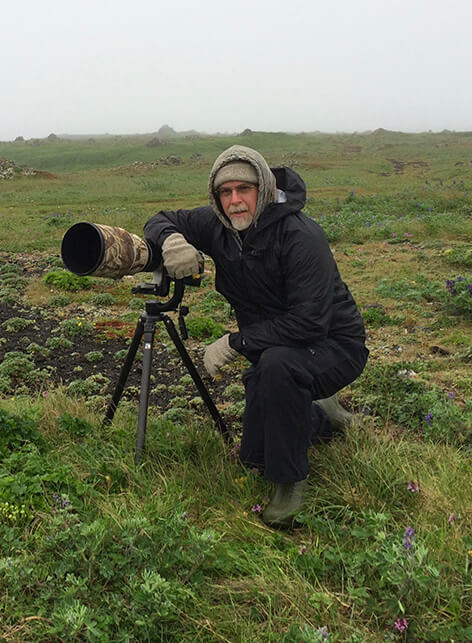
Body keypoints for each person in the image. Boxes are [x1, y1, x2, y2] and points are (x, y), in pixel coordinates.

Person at [143, 145, 368, 527]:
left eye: (243, 190)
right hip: (272, 348)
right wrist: (171, 241)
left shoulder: (301, 236)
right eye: (225, 192)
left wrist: (235, 343)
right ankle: (324, 417)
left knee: (279, 369)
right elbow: (161, 218)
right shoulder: (219, 226)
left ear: (262, 188)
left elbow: (310, 322)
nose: (235, 201)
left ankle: (288, 483)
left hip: (332, 345)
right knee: (252, 456)